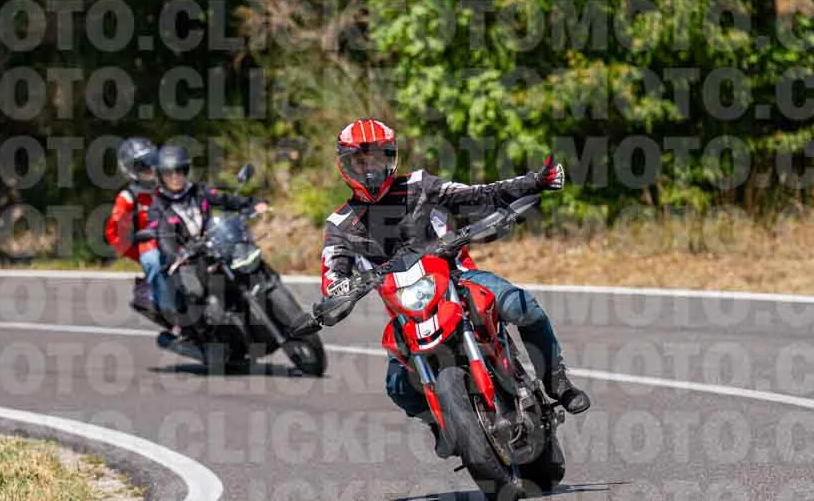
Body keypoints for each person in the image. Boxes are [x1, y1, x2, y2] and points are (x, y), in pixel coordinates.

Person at [318, 119, 590, 452]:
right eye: (360, 161)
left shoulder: (420, 186)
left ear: (391, 157)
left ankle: (557, 380)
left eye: (377, 158)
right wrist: (336, 297)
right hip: (407, 309)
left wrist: (534, 181)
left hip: (457, 277)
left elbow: (478, 194)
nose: (370, 169)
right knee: (398, 387)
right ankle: (441, 421)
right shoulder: (341, 225)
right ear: (345, 165)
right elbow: (332, 276)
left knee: (521, 306)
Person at [147, 144, 268, 336]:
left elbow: (224, 199)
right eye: (169, 173)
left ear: (186, 171)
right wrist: (176, 254)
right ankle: (200, 333)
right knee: (195, 291)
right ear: (161, 176)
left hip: (213, 246)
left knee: (246, 264)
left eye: (179, 170)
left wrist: (251, 204)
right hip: (187, 258)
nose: (175, 177)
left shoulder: (198, 191)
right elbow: (163, 236)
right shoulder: (158, 206)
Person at [105, 137, 170, 325]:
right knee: (153, 259)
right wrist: (138, 252)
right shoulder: (128, 198)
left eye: (152, 162)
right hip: (152, 246)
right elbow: (115, 235)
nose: (150, 168)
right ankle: (157, 297)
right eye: (143, 166)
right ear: (131, 170)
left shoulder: (168, 187)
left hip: (180, 240)